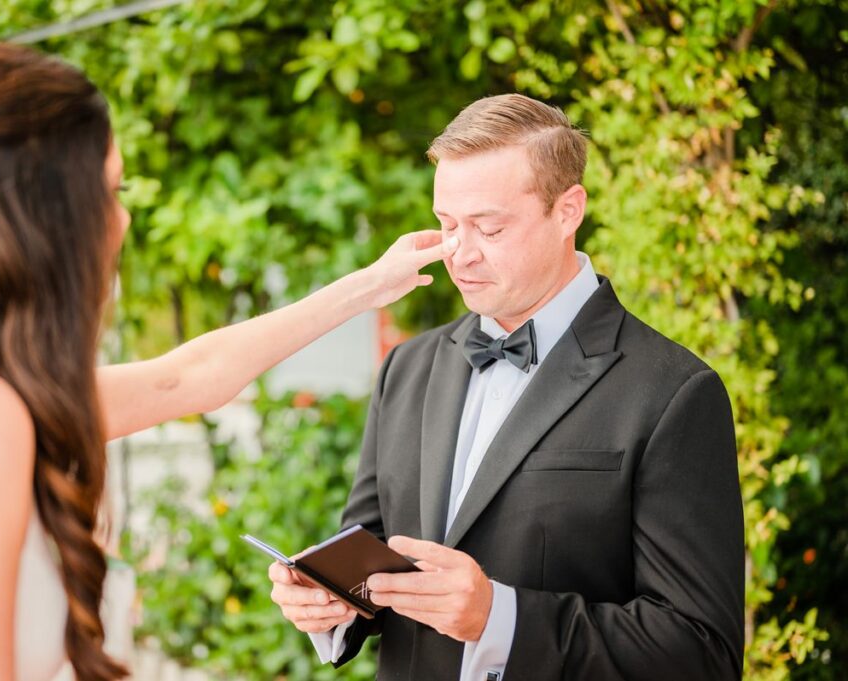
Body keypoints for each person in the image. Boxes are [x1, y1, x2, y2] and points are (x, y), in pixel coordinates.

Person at [0, 43, 457, 681]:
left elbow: (192, 376)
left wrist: (375, 284)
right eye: (110, 189)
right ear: (42, 215)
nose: (122, 219)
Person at [268, 93, 745, 680]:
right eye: (447, 226)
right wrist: (329, 602)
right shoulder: (407, 369)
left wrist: (501, 618)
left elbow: (702, 651)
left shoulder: (675, 392)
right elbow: (373, 557)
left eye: (488, 227)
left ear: (568, 210)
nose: (460, 255)